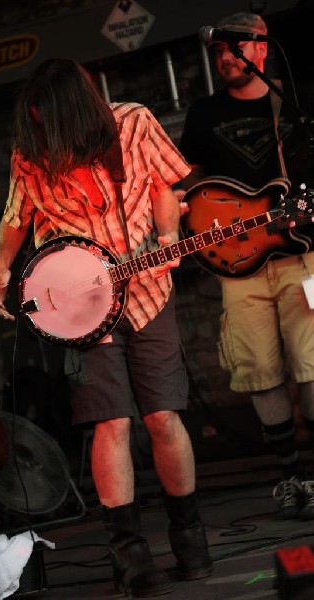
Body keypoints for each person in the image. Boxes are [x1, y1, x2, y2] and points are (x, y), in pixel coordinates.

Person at [0, 58, 213, 597]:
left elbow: (167, 187)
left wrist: (165, 238)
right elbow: (16, 215)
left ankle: (189, 535)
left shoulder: (133, 124)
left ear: (76, 114)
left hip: (147, 291)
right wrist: (1, 268)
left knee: (162, 415)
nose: (43, 136)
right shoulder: (30, 154)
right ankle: (128, 555)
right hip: (80, 307)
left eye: (51, 124)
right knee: (112, 422)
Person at [178, 11, 314, 520]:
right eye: (218, 51)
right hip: (239, 263)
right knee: (258, 367)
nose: (225, 58)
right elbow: (186, 182)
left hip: (303, 254)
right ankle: (290, 478)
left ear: (261, 48)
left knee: (312, 363)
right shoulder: (202, 115)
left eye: (235, 48)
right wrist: (191, 219)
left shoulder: (295, 102)